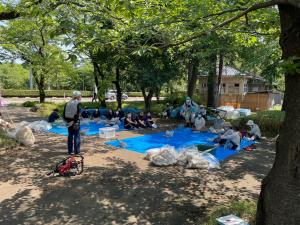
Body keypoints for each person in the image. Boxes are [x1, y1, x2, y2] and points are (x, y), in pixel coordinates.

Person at [63, 91, 82, 155]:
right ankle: (77, 151)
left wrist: (68, 121)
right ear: (77, 96)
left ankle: (70, 151)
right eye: (80, 96)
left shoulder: (67, 103)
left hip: (68, 122)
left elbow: (64, 114)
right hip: (75, 122)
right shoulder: (78, 103)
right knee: (77, 136)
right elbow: (78, 114)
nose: (81, 97)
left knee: (70, 136)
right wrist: (74, 121)